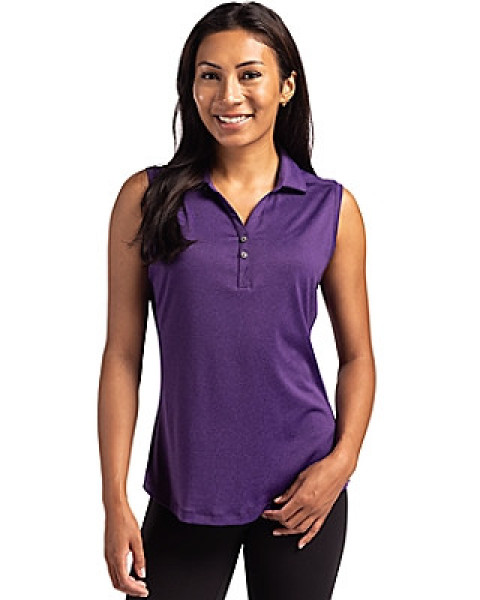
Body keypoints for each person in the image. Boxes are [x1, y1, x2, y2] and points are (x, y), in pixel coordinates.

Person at [97, 2, 376, 599]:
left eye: (250, 74)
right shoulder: (147, 199)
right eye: (209, 75)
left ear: (286, 86)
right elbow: (122, 355)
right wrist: (113, 499)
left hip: (304, 491)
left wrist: (341, 462)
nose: (229, 95)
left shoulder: (332, 209)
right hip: (186, 489)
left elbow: (357, 356)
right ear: (190, 86)